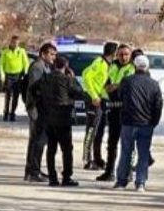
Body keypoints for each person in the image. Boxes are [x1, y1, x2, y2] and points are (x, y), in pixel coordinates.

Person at [32, 56, 88, 187]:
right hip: (63, 118)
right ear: (66, 66)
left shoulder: (45, 78)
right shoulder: (67, 80)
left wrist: (40, 102)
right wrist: (73, 78)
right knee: (66, 149)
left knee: (51, 148)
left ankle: (52, 178)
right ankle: (66, 177)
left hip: (48, 117)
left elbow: (33, 89)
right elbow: (79, 93)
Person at [115, 54, 163, 192]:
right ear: (147, 67)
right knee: (143, 153)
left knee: (125, 152)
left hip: (128, 122)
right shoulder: (154, 84)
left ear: (134, 66)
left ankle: (121, 182)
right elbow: (158, 105)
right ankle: (140, 182)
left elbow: (120, 96)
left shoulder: (127, 81)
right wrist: (154, 121)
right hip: (146, 123)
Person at [96, 44, 134, 182]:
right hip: (113, 109)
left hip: (127, 111)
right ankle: (109, 171)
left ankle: (128, 172)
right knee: (112, 143)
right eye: (121, 54)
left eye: (126, 54)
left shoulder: (132, 68)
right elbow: (104, 82)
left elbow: (128, 85)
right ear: (117, 55)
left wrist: (117, 86)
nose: (123, 57)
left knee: (128, 144)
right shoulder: (111, 66)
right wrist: (110, 87)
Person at [22, 42, 57, 183]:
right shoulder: (37, 67)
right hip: (37, 108)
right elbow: (36, 89)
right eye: (51, 54)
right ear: (43, 54)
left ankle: (33, 169)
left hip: (42, 109)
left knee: (37, 140)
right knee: (38, 141)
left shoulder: (46, 67)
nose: (53, 57)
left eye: (55, 55)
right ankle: (33, 171)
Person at [80, 42, 114, 170]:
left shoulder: (108, 65)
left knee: (99, 131)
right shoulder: (99, 62)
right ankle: (86, 159)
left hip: (103, 101)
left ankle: (97, 158)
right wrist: (93, 95)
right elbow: (86, 76)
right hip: (94, 101)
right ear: (112, 53)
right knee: (91, 130)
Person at [0, 36, 30, 122]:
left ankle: (12, 112)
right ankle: (6, 112)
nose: (15, 44)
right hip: (8, 75)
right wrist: (2, 76)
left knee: (16, 96)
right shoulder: (5, 52)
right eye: (13, 42)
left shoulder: (21, 51)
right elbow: (1, 64)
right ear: (11, 42)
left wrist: (25, 74)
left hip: (18, 76)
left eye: (16, 43)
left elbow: (26, 63)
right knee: (8, 95)